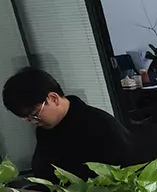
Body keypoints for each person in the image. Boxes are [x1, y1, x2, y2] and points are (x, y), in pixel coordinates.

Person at [2, 67, 134, 182]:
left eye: (35, 114)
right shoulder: (46, 129)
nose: (33, 122)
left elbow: (125, 172)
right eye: (27, 119)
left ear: (53, 98)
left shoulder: (99, 124)